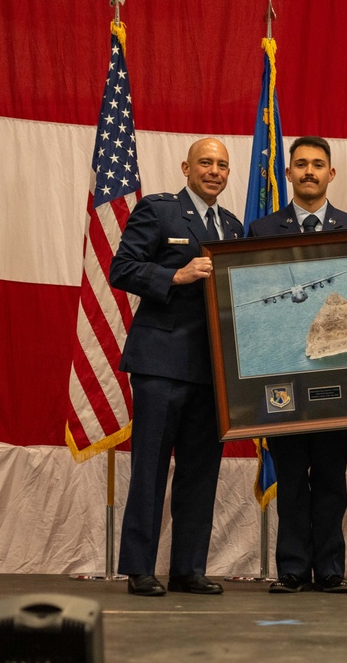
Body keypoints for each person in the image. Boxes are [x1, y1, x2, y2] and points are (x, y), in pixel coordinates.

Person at [110, 137, 242, 596]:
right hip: (162, 363)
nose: (214, 171)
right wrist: (175, 276)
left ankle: (188, 568)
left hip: (213, 372)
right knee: (149, 468)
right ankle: (139, 568)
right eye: (206, 162)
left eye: (222, 165)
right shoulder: (159, 211)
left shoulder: (233, 226)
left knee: (200, 471)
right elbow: (121, 268)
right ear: (186, 167)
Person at [248, 136, 347, 594]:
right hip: (281, 376)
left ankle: (332, 569)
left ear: (331, 174)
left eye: (318, 165)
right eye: (301, 164)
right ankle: (293, 570)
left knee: (331, 476)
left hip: (338, 374)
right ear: (289, 173)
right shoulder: (261, 231)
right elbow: (253, 305)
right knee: (292, 477)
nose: (309, 172)